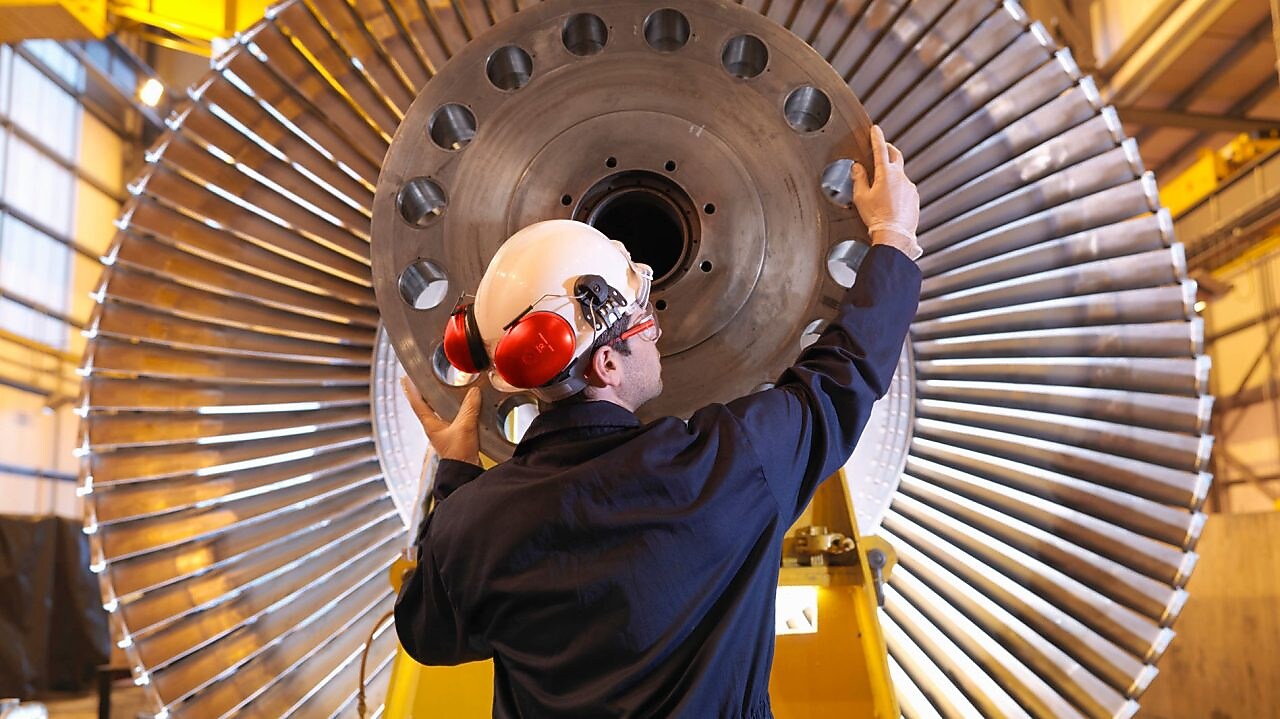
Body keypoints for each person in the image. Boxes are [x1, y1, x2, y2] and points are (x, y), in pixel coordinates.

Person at [394, 124, 923, 718]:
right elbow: (842, 375)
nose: (660, 327)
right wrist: (892, 235)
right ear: (607, 362)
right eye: (644, 314)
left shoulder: (471, 527)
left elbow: (427, 635)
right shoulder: (727, 468)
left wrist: (457, 474)